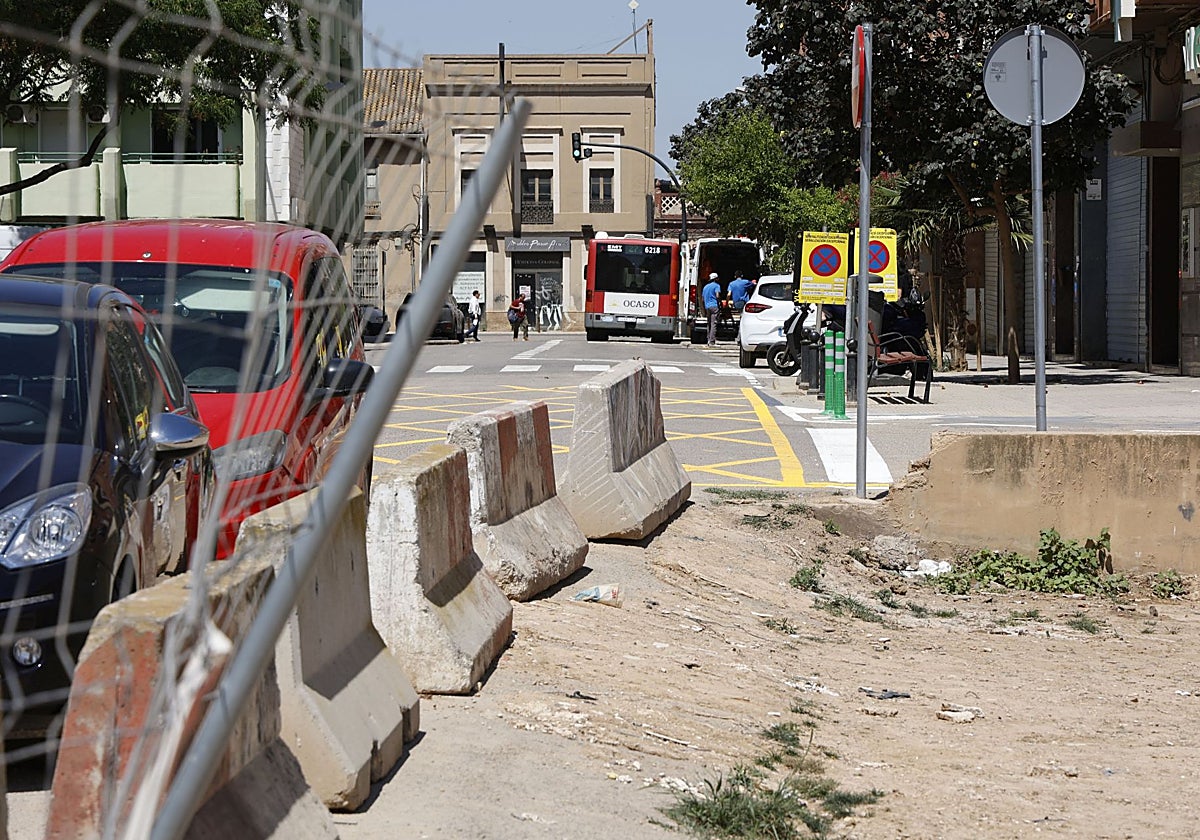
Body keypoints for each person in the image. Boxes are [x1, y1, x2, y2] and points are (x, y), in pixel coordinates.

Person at [701, 272, 722, 345]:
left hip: (707, 306)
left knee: (709, 323)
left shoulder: (705, 287)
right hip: (714, 306)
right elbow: (717, 295)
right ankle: (712, 341)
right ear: (715, 279)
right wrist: (720, 303)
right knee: (714, 323)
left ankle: (708, 339)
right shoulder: (717, 285)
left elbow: (702, 299)